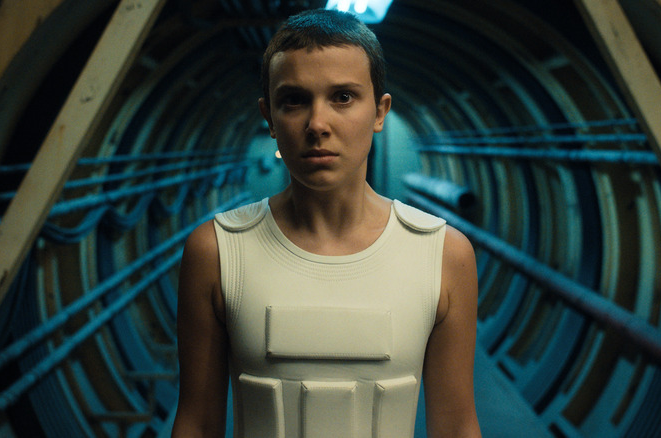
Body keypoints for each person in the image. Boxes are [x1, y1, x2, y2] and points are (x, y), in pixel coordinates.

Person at [171, 8, 481, 438]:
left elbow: (456, 426)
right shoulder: (217, 251)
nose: (317, 124)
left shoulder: (444, 254)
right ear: (269, 117)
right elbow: (197, 424)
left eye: (343, 97)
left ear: (380, 111)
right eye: (294, 100)